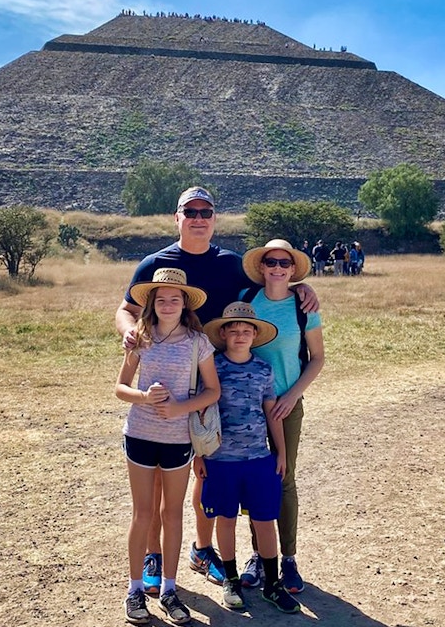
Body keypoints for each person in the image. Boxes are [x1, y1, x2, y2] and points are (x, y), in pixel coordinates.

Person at [115, 187, 320, 595]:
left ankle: (213, 550)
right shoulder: (155, 264)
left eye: (205, 211)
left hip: (219, 386)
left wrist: (301, 288)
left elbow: (269, 283)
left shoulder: (230, 265)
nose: (198, 218)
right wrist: (131, 336)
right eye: (189, 211)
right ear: (176, 218)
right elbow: (127, 310)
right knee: (167, 479)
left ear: (214, 218)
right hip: (170, 385)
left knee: (211, 471)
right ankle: (162, 554)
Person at [115, 267, 221, 625]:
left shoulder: (197, 341)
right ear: (152, 304)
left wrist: (179, 407)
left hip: (178, 439)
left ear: (185, 303)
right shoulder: (139, 337)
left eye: (175, 298)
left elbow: (212, 391)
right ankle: (134, 591)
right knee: (142, 514)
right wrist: (144, 398)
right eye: (161, 299)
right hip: (140, 435)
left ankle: (170, 590)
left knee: (171, 514)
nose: (168, 304)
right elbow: (120, 388)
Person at [198, 302, 301, 613]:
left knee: (265, 521)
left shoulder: (263, 370)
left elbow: (272, 413)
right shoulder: (211, 368)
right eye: (234, 330)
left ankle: (272, 583)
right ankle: (230, 579)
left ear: (255, 335)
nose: (240, 335)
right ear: (224, 334)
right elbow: (199, 414)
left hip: (258, 458)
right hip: (220, 459)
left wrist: (280, 452)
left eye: (246, 331)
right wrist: (198, 456)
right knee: (225, 519)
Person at [235, 239, 325, 594]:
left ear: (293, 269)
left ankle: (288, 559)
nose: (277, 268)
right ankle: (258, 556)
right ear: (261, 267)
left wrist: (292, 395)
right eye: (271, 261)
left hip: (286, 404)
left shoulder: (304, 307)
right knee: (252, 481)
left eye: (284, 263)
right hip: (247, 406)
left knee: (284, 480)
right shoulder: (246, 300)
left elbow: (317, 357)